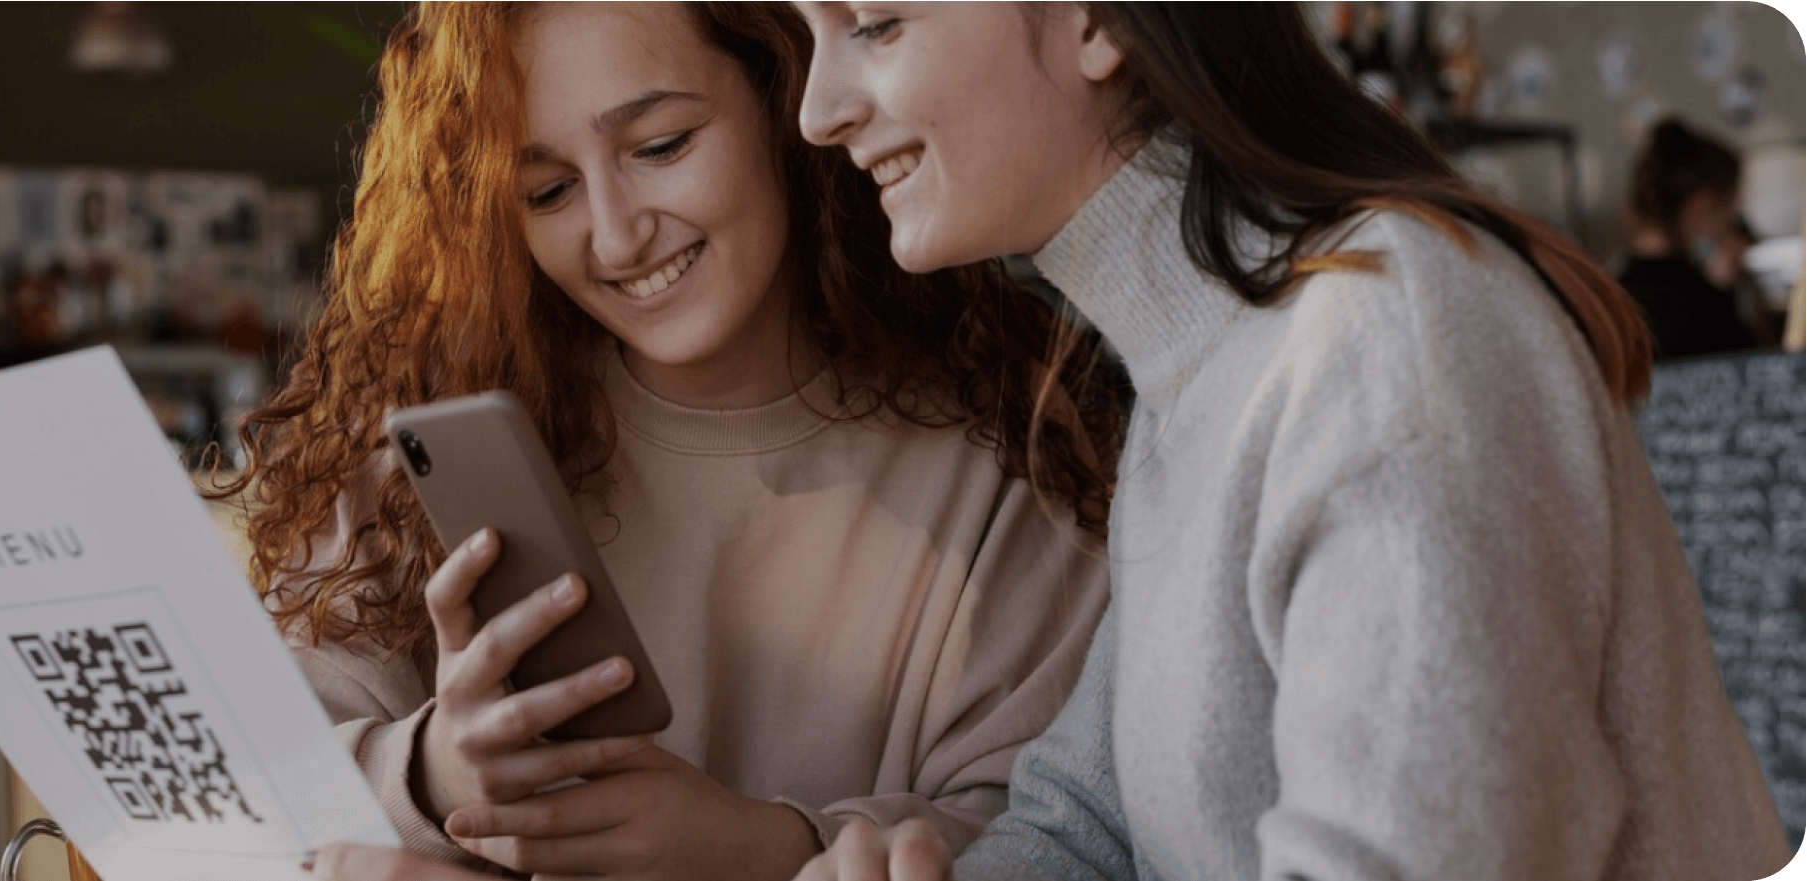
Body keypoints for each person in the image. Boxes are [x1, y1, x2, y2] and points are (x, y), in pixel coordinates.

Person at [786, 3, 1791, 880]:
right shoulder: (1198, 368)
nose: (817, 110)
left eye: (875, 24)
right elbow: (1087, 825)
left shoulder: (1384, 340)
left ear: (1104, 20)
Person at [231, 3, 1118, 879]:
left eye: (661, 147)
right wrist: (432, 772)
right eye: (547, 191)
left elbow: (1064, 834)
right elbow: (225, 799)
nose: (616, 236)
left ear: (785, 103)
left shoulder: (1018, 453)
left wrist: (756, 846)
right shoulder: (417, 446)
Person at [1616, 118, 1761, 360]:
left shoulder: (1608, 294)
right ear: (1703, 205)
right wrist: (1730, 292)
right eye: (1728, 208)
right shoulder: (1703, 308)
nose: (1731, 222)